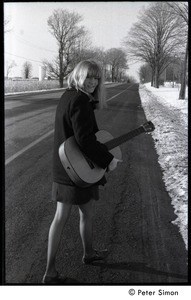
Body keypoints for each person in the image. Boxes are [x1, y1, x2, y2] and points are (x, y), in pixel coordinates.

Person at [42, 60, 121, 284]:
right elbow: (85, 139)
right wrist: (108, 160)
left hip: (65, 166)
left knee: (73, 216)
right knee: (72, 216)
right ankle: (50, 272)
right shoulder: (80, 100)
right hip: (76, 169)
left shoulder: (69, 95)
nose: (93, 82)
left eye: (96, 78)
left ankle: (87, 254)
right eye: (89, 77)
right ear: (78, 76)